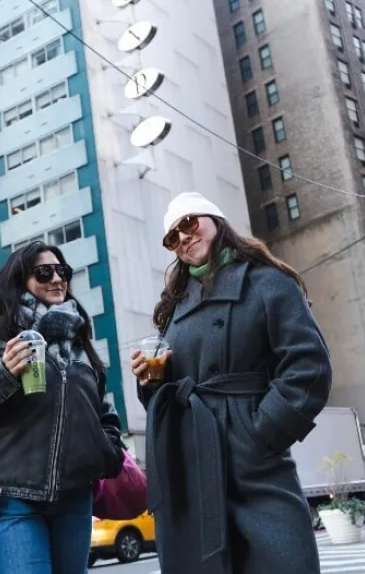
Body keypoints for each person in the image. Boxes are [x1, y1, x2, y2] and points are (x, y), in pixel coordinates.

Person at [131, 192, 333, 574]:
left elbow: (309, 365)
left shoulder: (268, 282)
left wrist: (263, 433)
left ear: (215, 219)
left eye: (189, 223)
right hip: (192, 458)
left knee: (283, 559)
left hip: (252, 458)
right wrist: (151, 383)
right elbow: (175, 392)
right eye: (172, 237)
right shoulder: (175, 308)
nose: (184, 237)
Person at [0, 241, 125, 574]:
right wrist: (1, 375)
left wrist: (106, 452)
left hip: (74, 499)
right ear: (18, 280)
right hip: (11, 500)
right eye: (44, 272)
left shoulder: (76, 343)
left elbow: (103, 411)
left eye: (63, 271)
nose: (57, 279)